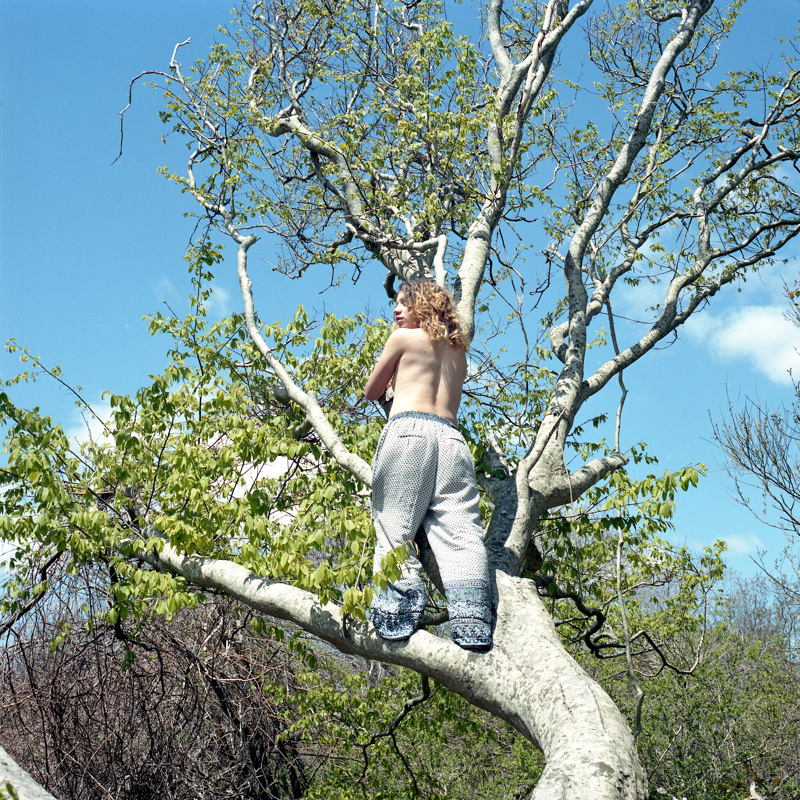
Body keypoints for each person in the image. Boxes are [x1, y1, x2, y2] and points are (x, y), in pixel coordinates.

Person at [364, 280, 492, 651]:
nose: (396, 310)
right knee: (462, 533)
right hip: (452, 441)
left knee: (395, 528)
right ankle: (473, 622)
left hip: (409, 433)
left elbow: (371, 391)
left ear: (423, 306)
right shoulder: (459, 352)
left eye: (404, 303)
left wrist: (393, 382)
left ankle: (396, 615)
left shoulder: (403, 338)